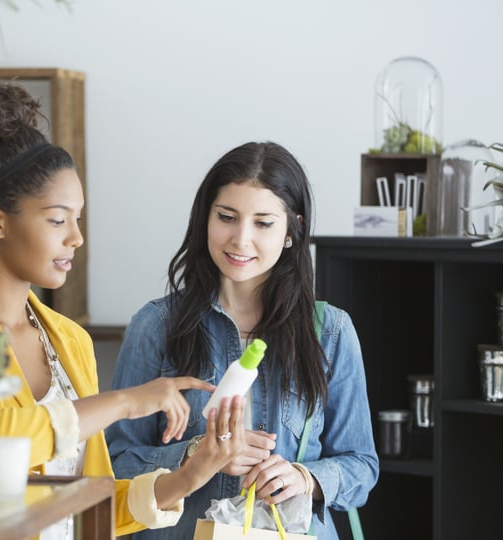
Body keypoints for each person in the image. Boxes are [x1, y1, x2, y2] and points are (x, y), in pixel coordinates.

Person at [0, 83, 276, 538]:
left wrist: (192, 474)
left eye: (78, 219)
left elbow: (91, 506)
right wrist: (124, 402)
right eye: (56, 219)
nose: (75, 238)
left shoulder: (69, 340)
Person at [105, 141, 379, 539]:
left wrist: (304, 477)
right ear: (206, 219)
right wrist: (195, 454)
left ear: (291, 230)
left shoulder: (332, 332)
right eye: (227, 217)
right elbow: (116, 462)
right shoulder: (156, 325)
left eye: (263, 223)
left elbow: (362, 467)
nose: (240, 239)